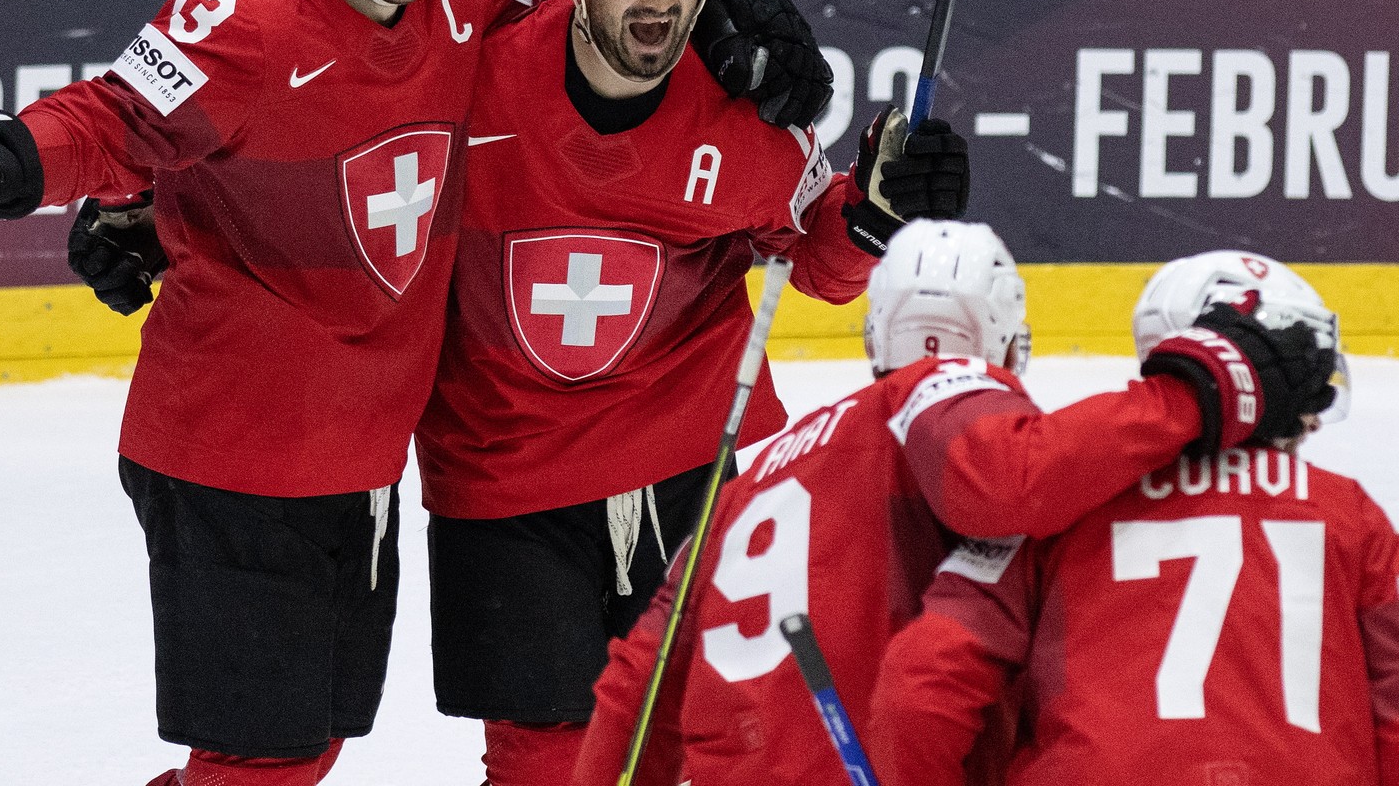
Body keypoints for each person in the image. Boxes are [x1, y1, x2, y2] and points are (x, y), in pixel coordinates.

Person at [0, 0, 580, 786]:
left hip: (361, 457)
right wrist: (4, 161)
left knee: (303, 744)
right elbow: (111, 119)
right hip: (232, 455)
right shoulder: (242, 20)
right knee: (266, 757)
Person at [404, 0, 970, 785]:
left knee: (699, 738)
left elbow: (821, 263)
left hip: (687, 477)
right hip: (501, 483)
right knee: (542, 760)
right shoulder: (469, 84)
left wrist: (875, 212)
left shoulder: (744, 119)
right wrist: (160, 212)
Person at [570, 224, 1344, 786]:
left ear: (875, 336)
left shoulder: (748, 484)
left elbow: (635, 688)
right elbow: (1002, 481)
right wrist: (1197, 391)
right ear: (1005, 345)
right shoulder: (942, 391)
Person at [876, 250, 1381, 786]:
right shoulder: (1350, 514)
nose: (1314, 413)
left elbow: (921, 692)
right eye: (1296, 368)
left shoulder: (1061, 510)